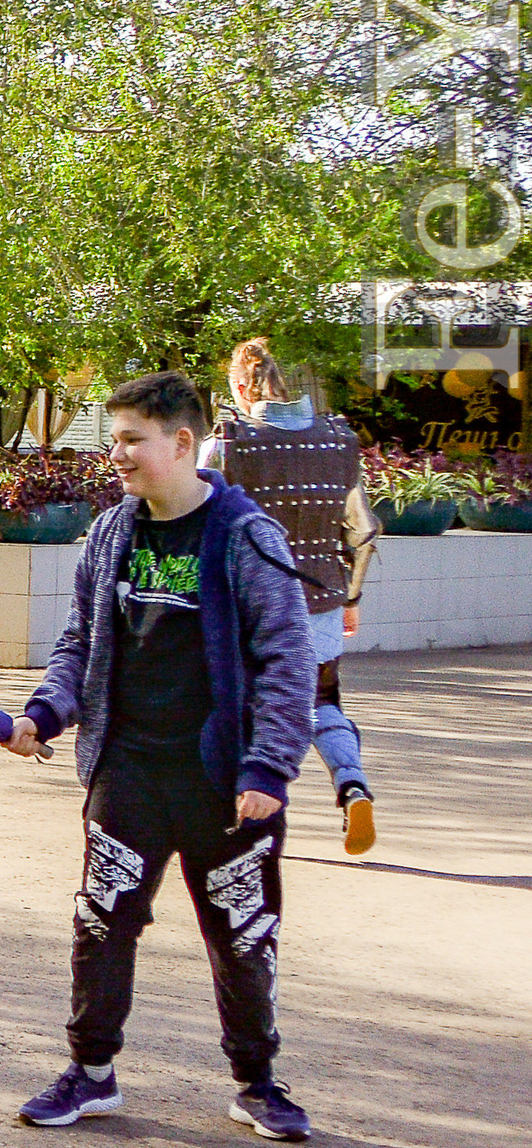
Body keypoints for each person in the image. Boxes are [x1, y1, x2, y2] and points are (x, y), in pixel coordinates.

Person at [5, 373, 319, 1141]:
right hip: (130, 769)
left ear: (182, 443)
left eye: (131, 439)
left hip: (223, 782)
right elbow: (80, 642)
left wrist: (268, 768)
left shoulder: (246, 537)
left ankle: (256, 1082)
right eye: (113, 438)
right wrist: (46, 711)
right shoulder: (113, 533)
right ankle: (90, 1071)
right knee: (101, 921)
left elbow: (288, 658)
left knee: (242, 933)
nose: (116, 454)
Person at [203, 337, 383, 856]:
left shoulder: (227, 443)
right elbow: (363, 531)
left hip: (246, 608)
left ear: (240, 386)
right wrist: (351, 597)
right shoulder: (337, 440)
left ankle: (247, 814)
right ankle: (351, 785)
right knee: (320, 702)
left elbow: (200, 522)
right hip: (322, 600)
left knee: (239, 705)